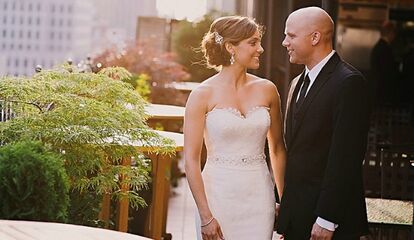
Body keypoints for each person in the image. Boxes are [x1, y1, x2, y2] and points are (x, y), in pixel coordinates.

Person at [184, 16, 286, 240]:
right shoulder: (202, 94)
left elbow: (277, 149)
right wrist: (205, 216)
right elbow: (190, 159)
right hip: (218, 197)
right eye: (253, 43)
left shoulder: (268, 90)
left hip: (259, 196)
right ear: (230, 46)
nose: (260, 49)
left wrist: (286, 204)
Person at [277, 7, 370, 240]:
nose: (284, 42)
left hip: (329, 222)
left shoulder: (349, 82)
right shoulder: (297, 82)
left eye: (291, 35)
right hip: (296, 216)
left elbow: (346, 157)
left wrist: (327, 219)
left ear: (315, 37)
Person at [370, 21, 399, 107]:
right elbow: (388, 72)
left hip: (377, 89)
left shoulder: (378, 47)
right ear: (390, 33)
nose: (394, 36)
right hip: (383, 90)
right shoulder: (385, 49)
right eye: (394, 33)